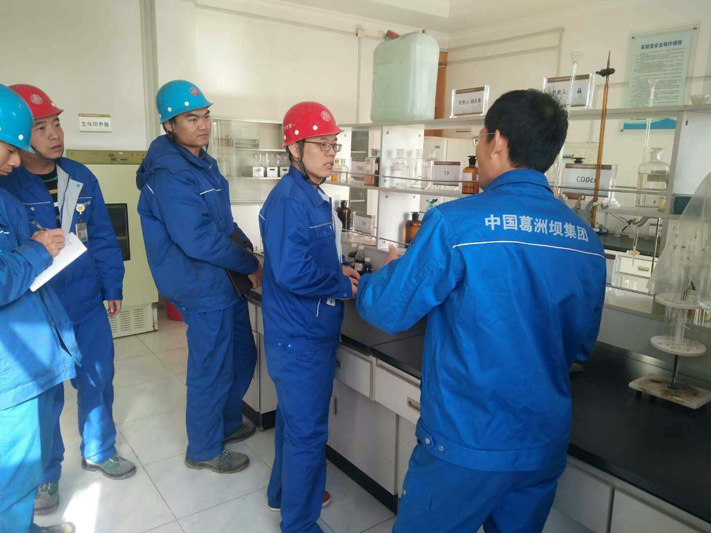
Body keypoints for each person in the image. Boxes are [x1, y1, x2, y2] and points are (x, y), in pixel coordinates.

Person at [357, 90, 607, 533]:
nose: (477, 147)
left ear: (498, 141)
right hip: (540, 445)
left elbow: (389, 309)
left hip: (465, 443)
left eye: (480, 137)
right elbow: (581, 347)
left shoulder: (455, 223)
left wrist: (385, 274)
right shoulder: (585, 240)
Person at [1, 84, 131, 516]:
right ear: (19, 136)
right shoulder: (8, 185)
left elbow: (104, 237)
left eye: (56, 123)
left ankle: (100, 449)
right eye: (41, 127)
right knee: (44, 398)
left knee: (98, 377)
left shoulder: (80, 176)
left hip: (85, 299)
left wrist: (112, 285)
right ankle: (45, 474)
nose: (54, 134)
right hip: (38, 311)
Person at [136, 80, 261, 474]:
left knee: (241, 355)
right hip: (200, 282)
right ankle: (204, 447)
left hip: (222, 281)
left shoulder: (203, 162)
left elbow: (222, 222)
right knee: (212, 367)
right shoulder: (170, 174)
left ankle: (226, 423)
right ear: (169, 125)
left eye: (205, 116)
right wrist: (249, 265)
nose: (203, 124)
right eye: (191, 118)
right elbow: (199, 239)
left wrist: (249, 249)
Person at [259, 101, 360, 533]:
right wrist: (340, 285)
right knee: (307, 433)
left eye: (334, 144)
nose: (331, 152)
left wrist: (339, 270)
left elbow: (311, 255)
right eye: (321, 144)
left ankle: (284, 493)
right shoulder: (290, 200)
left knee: (294, 422)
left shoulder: (312, 194)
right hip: (299, 336)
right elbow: (291, 271)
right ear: (294, 149)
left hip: (306, 329)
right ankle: (299, 524)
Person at [0, 83, 79, 533]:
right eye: (11, 148)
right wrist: (35, 251)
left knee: (20, 472)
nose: (16, 160)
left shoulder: (4, 194)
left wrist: (31, 244)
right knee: (13, 478)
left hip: (24, 352)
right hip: (10, 366)